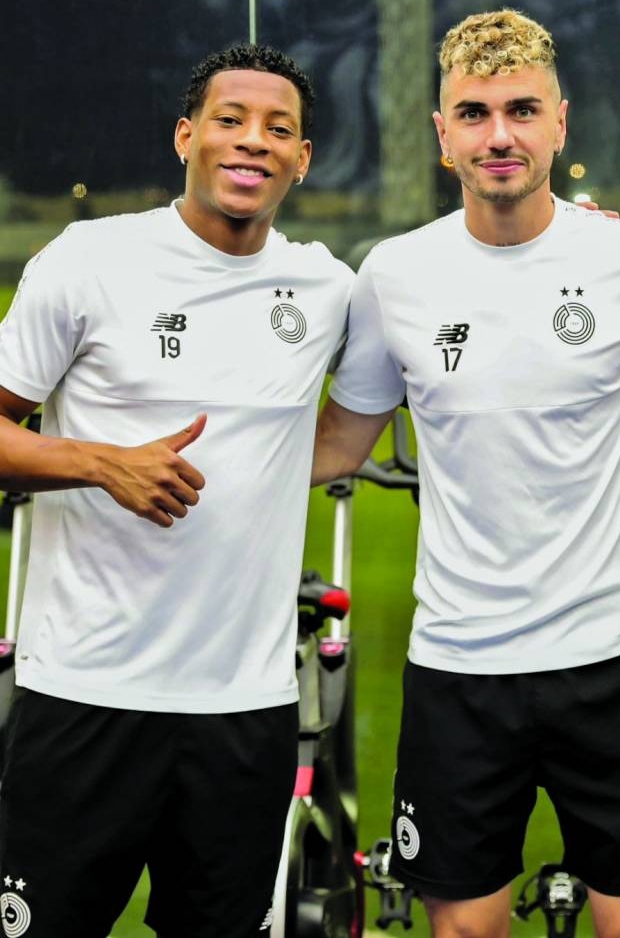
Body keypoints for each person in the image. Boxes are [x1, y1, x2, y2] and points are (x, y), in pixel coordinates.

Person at [311, 8, 620, 938]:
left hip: (614, 658)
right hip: (461, 666)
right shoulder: (394, 275)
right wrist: (127, 459)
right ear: (443, 135)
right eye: (473, 114)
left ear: (561, 122)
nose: (500, 135)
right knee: (464, 928)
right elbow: (336, 445)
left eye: (522, 110)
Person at [0, 45, 354, 937]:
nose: (253, 142)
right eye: (230, 120)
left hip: (244, 712)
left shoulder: (328, 288)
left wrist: (572, 243)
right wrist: (97, 462)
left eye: (279, 129)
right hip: (86, 694)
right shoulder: (88, 262)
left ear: (302, 160)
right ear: (186, 137)